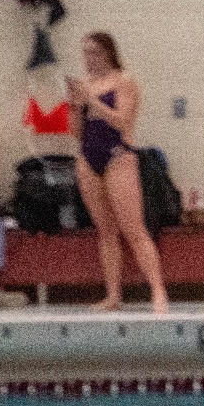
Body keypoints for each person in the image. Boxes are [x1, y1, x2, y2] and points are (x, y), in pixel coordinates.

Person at [66, 31, 167, 314]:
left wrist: (93, 101)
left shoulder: (124, 82)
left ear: (109, 53)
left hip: (118, 156)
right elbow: (77, 134)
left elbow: (122, 122)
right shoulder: (85, 86)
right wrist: (75, 107)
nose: (90, 59)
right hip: (88, 158)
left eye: (95, 52)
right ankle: (113, 295)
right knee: (106, 231)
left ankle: (158, 290)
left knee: (133, 228)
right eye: (86, 53)